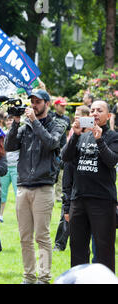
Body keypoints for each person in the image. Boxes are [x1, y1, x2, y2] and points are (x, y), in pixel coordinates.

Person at [4, 88, 66, 284]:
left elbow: (51, 143)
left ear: (47, 104)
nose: (33, 105)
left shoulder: (58, 124)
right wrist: (15, 123)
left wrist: (35, 122)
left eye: (38, 102)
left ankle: (44, 278)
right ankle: (29, 277)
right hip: (23, 187)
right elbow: (9, 145)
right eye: (32, 101)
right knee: (24, 237)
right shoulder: (25, 126)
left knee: (42, 235)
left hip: (43, 187)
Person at [61, 100, 118, 273]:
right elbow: (65, 157)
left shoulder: (113, 136)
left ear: (108, 116)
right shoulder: (82, 135)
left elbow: (112, 161)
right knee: (77, 248)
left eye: (99, 110)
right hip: (79, 200)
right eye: (92, 110)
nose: (94, 113)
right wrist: (75, 135)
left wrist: (100, 140)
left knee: (104, 250)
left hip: (103, 201)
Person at [54, 105, 90, 252]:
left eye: (79, 115)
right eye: (75, 114)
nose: (76, 117)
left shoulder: (92, 133)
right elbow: (65, 154)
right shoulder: (73, 131)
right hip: (70, 172)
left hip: (84, 176)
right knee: (66, 209)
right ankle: (59, 243)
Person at [0, 114, 19, 223]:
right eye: (7, 120)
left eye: (11, 119)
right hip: (5, 167)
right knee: (2, 192)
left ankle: (20, 216)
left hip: (16, 166)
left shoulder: (19, 132)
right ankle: (0, 216)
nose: (9, 122)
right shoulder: (2, 134)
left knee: (18, 193)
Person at [51, 97, 71, 202]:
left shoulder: (67, 119)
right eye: (61, 106)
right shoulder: (51, 116)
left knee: (61, 172)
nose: (64, 108)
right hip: (51, 147)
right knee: (51, 170)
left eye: (64, 106)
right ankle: (50, 193)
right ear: (56, 106)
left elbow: (67, 133)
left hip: (62, 148)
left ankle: (58, 196)